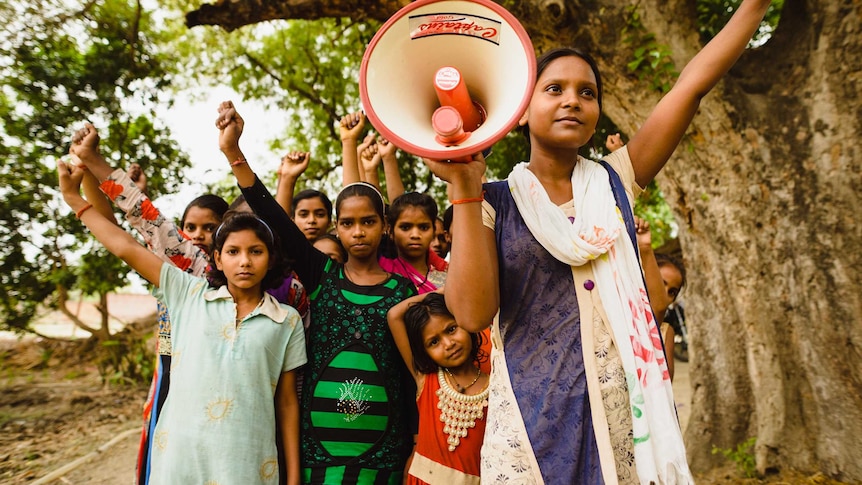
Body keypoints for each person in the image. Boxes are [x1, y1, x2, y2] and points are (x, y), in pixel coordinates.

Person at [423, 1, 771, 483]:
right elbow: (471, 314)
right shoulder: (492, 203)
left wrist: (753, 8)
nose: (572, 100)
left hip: (623, 418)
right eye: (554, 89)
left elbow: (691, 87)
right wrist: (464, 188)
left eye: (587, 92)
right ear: (520, 113)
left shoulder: (616, 180)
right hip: (532, 424)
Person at [58, 162, 306, 484]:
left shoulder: (285, 320)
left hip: (248, 464)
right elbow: (125, 246)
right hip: (179, 459)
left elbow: (287, 404)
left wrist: (294, 476)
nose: (244, 261)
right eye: (233, 251)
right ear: (217, 259)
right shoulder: (188, 293)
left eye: (255, 251)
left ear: (270, 258)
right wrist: (74, 200)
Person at [216, 100, 417, 484]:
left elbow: (412, 377)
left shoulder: (402, 291)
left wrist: (416, 441)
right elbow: (273, 216)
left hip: (385, 453)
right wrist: (233, 152)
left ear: (385, 226)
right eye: (348, 223)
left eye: (368, 222)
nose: (358, 232)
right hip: (317, 452)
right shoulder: (322, 275)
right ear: (336, 229)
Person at [387, 292, 490, 484]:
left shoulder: (495, 387)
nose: (448, 344)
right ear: (424, 351)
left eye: (451, 329)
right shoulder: (426, 379)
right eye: (434, 342)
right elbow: (395, 315)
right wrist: (449, 288)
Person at [380, 192, 447, 293]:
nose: (415, 235)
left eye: (424, 227)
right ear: (390, 231)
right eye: (405, 227)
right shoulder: (381, 273)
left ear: (433, 230)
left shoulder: (449, 280)